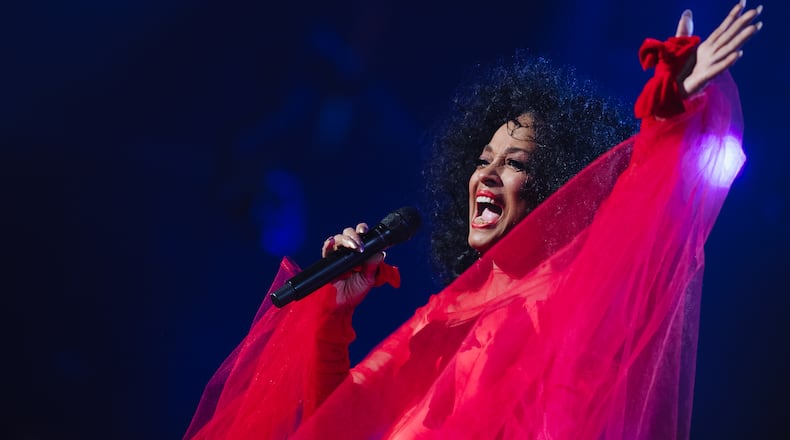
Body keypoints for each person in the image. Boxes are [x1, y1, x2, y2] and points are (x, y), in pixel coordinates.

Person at [184, 2, 763, 439]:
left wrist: (672, 107)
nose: (485, 176)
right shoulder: (443, 314)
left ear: (556, 187)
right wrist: (334, 323)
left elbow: (644, 213)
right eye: (482, 161)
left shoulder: (567, 292)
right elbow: (339, 428)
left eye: (512, 164)